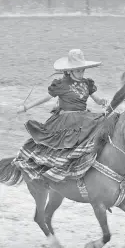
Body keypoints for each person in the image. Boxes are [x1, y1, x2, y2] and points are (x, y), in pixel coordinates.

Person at [13, 49, 108, 181]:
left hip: (84, 117)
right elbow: (45, 98)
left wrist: (101, 101)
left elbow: (96, 99)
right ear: (70, 70)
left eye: (82, 70)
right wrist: (26, 107)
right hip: (67, 119)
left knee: (104, 123)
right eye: (78, 70)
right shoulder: (62, 84)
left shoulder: (87, 84)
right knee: (64, 147)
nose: (81, 73)